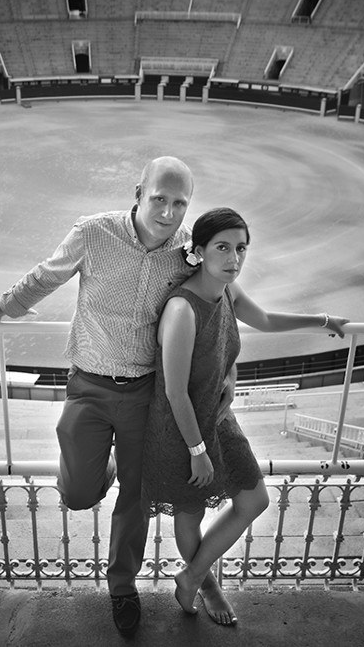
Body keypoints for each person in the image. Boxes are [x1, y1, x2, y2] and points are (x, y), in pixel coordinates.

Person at [0, 156, 197, 638]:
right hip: (89, 385)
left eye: (180, 203)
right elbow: (44, 277)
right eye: (160, 198)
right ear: (139, 192)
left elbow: (216, 298)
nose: (169, 212)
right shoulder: (94, 232)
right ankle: (105, 469)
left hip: (145, 393)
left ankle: (122, 586)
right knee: (76, 493)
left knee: (136, 497)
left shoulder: (187, 249)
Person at [143, 207, 348, 627]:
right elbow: (174, 390)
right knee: (190, 511)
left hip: (217, 419)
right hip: (181, 430)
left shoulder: (227, 292)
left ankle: (191, 576)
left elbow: (266, 321)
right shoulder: (182, 310)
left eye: (241, 249)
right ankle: (208, 585)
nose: (233, 258)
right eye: (222, 248)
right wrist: (196, 450)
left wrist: (324, 320)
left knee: (254, 499)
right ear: (198, 252)